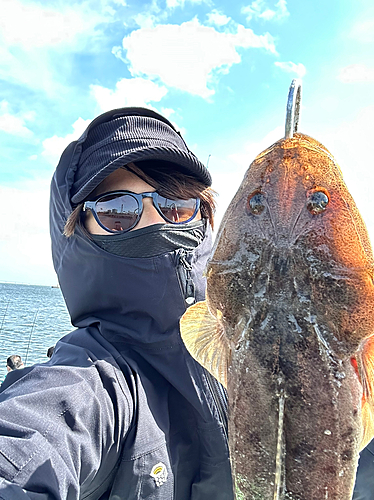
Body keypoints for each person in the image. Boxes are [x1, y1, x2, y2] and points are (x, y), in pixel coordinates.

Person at [0, 107, 233, 499]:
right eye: (116, 210)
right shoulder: (93, 384)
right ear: (77, 230)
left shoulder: (253, 350)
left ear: (203, 215)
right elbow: (30, 441)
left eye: (176, 204)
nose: (155, 223)